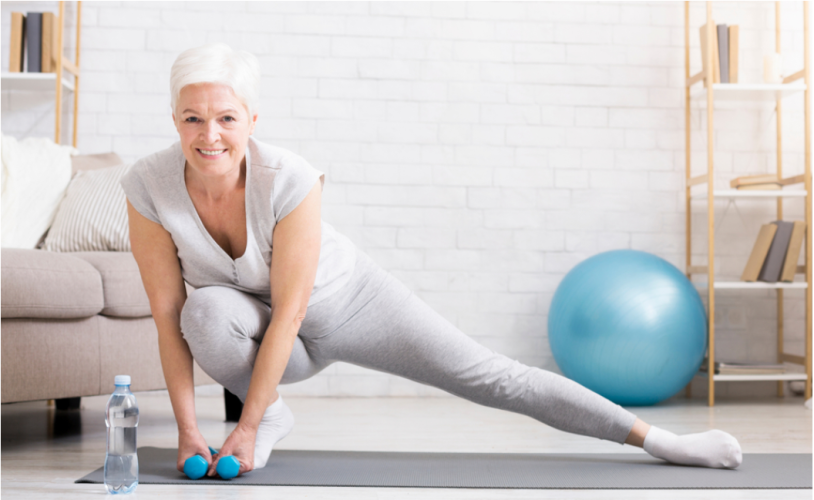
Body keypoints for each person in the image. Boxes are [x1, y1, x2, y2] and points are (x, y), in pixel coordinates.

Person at [122, 43, 742, 478]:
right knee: (199, 313)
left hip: (346, 305)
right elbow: (167, 312)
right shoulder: (149, 185)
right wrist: (187, 430)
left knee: (492, 376)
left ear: (251, 120)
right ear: (173, 119)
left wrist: (246, 429)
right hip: (249, 326)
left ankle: (660, 441)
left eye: (227, 118)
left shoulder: (291, 178)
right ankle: (276, 412)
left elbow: (291, 313)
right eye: (193, 118)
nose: (210, 136)